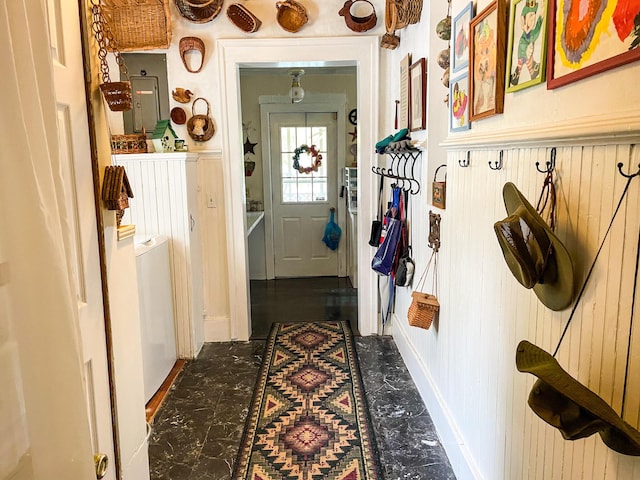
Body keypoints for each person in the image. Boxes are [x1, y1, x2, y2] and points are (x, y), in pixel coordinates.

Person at [510, 0, 544, 86]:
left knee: (528, 60)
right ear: (524, 19)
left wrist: (542, 10)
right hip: (523, 54)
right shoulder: (524, 36)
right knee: (523, 60)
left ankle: (532, 72)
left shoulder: (533, 33)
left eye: (534, 15)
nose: (533, 19)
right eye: (531, 15)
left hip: (527, 54)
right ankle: (521, 73)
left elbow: (539, 21)